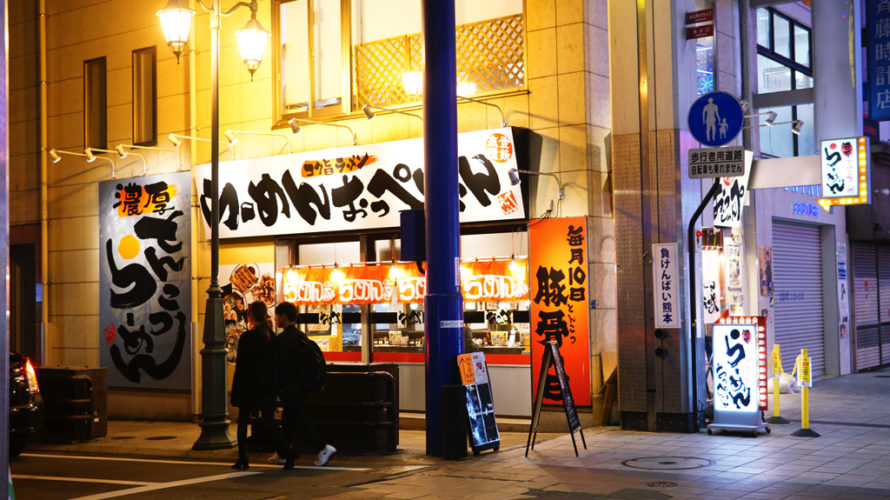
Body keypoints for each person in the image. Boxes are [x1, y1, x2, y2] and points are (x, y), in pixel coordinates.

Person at [230, 301, 294, 470]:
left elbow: (241, 367)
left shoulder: (247, 338)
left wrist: (236, 390)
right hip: (267, 387)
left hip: (249, 386)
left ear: (250, 316)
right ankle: (288, 452)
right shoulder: (272, 338)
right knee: (270, 421)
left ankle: (242, 457)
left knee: (243, 421)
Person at [274, 301, 337, 467]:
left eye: (278, 316)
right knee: (289, 419)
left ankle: (322, 448)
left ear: (284, 317)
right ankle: (283, 453)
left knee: (300, 420)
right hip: (301, 386)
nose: (276, 319)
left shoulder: (283, 340)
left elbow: (282, 366)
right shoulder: (301, 336)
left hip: (289, 387)